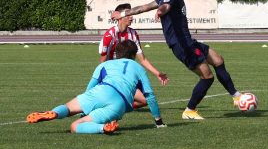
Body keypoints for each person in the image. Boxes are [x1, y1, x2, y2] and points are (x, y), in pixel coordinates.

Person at [110, 0, 243, 121]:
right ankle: (189, 110)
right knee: (207, 77)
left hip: (190, 42)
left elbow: (144, 7)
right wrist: (161, 11)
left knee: (218, 59)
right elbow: (165, 6)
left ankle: (236, 96)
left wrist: (122, 14)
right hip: (183, 46)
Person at [26, 40, 166, 134]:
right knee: (75, 126)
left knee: (68, 108)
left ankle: (54, 113)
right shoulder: (138, 67)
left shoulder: (104, 65)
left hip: (100, 91)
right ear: (134, 55)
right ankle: (102, 127)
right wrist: (158, 122)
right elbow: (150, 96)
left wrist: (85, 108)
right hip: (119, 103)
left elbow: (90, 88)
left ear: (116, 54)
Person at [100, 2, 169, 109]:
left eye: (132, 14)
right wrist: (101, 79)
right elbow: (103, 61)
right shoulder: (109, 35)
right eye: (128, 15)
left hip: (127, 73)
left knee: (146, 100)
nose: (132, 18)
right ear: (120, 17)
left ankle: (119, 106)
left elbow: (142, 59)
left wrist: (157, 73)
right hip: (113, 75)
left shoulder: (133, 34)